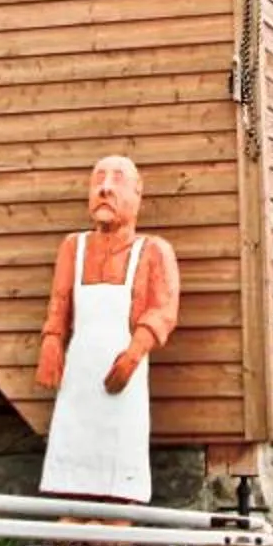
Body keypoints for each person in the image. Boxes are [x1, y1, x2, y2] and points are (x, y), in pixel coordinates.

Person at [35, 155, 178, 503]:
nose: (105, 188)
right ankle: (74, 518)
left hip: (122, 372)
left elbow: (163, 309)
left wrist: (133, 355)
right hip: (79, 375)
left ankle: (116, 517)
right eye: (98, 179)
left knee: (120, 448)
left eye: (117, 180)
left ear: (137, 194)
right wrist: (51, 342)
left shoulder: (153, 251)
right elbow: (60, 301)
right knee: (73, 442)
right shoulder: (73, 247)